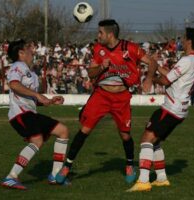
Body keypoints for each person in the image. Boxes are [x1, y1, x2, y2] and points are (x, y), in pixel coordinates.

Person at [55, 19, 158, 184]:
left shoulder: (130, 48)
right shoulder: (98, 49)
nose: (98, 36)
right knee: (85, 130)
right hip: (101, 95)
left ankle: (130, 165)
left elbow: (152, 61)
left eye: (100, 33)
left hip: (121, 98)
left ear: (110, 35)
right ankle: (67, 166)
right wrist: (101, 66)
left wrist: (149, 80)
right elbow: (91, 73)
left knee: (125, 135)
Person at [127, 27, 194, 192]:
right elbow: (172, 75)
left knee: (146, 140)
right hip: (179, 109)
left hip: (171, 107)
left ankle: (143, 181)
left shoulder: (186, 60)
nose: (181, 40)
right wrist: (152, 65)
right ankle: (161, 179)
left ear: (189, 41)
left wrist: (150, 76)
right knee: (155, 141)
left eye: (184, 38)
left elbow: (165, 81)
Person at [1, 39, 70, 190]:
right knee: (37, 140)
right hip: (20, 113)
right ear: (21, 53)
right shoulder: (17, 66)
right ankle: (11, 177)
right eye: (28, 48)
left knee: (62, 131)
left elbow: (31, 98)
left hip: (29, 112)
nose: (32, 50)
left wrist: (49, 101)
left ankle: (55, 175)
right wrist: (38, 96)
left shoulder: (31, 74)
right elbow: (14, 85)